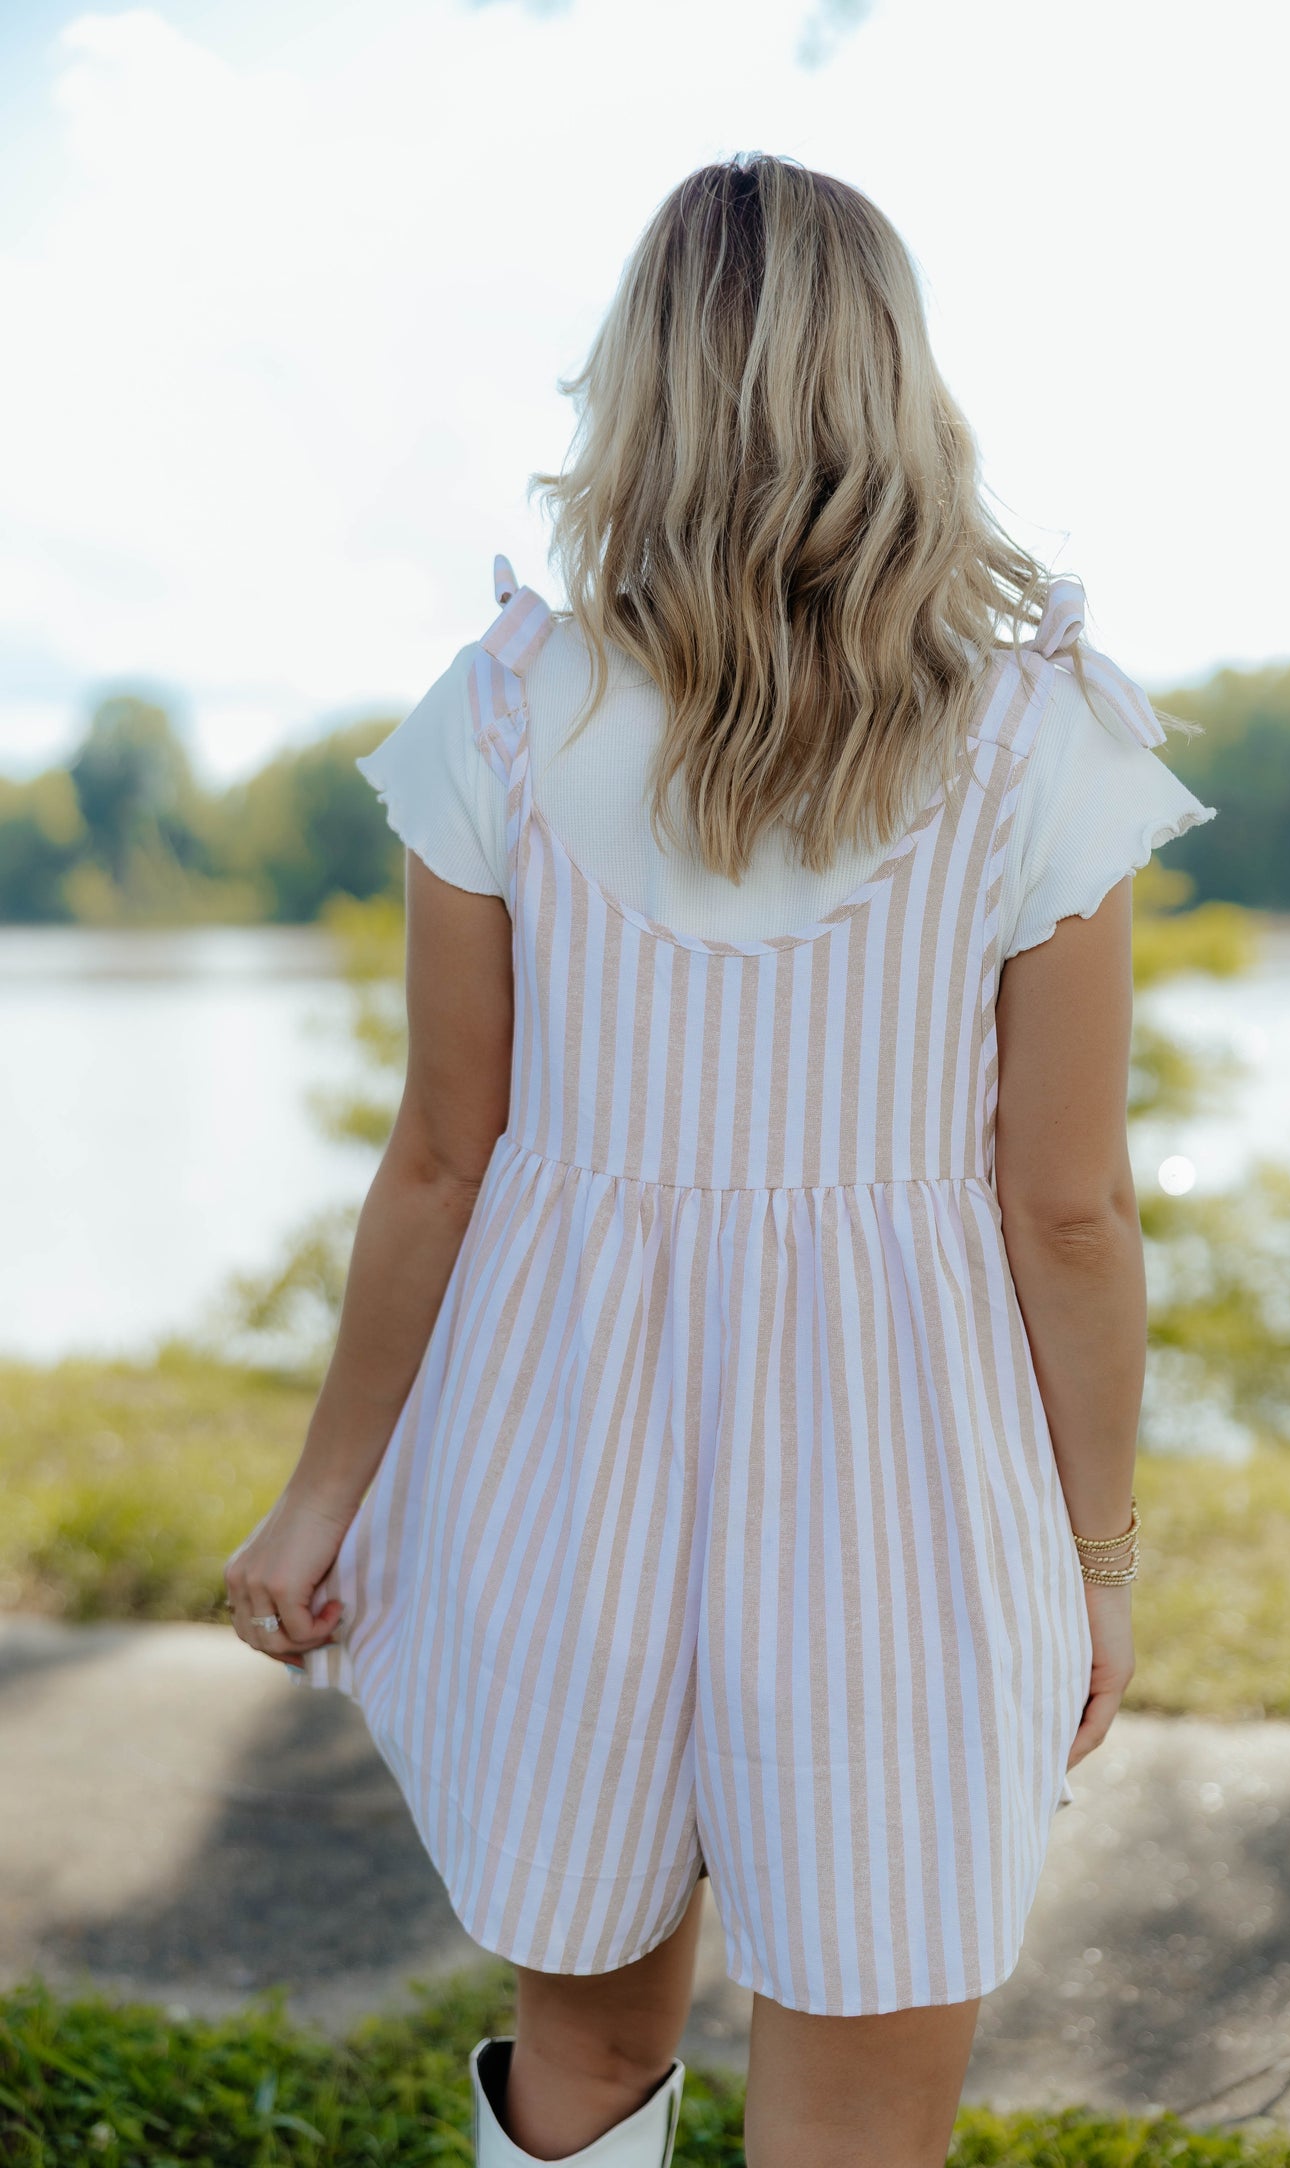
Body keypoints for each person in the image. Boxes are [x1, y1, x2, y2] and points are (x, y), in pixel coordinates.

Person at [224, 153, 1216, 2168]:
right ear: (897, 390)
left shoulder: (503, 709)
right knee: (856, 2109)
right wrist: (1096, 1563)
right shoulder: (1048, 741)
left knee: (583, 2055)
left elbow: (441, 1151)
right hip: (907, 1487)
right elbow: (1069, 1210)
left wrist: (323, 1498)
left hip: (555, 1454)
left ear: (641, 390)